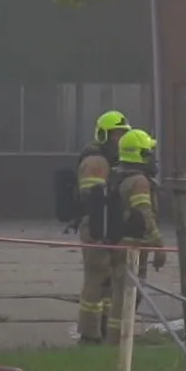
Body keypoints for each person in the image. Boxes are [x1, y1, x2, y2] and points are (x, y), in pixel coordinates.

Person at [105, 128, 169, 348]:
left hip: (120, 242)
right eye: (149, 152)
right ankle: (118, 343)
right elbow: (144, 212)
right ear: (139, 154)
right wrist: (158, 244)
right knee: (127, 295)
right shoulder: (139, 181)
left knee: (122, 293)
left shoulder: (119, 175)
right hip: (132, 245)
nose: (153, 158)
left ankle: (117, 340)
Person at [74, 110, 129, 345]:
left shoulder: (113, 162)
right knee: (95, 281)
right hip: (96, 228)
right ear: (103, 135)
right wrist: (100, 234)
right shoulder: (95, 162)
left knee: (110, 282)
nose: (119, 141)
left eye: (122, 136)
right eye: (116, 136)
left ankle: (106, 328)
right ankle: (89, 334)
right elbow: (94, 201)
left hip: (111, 228)